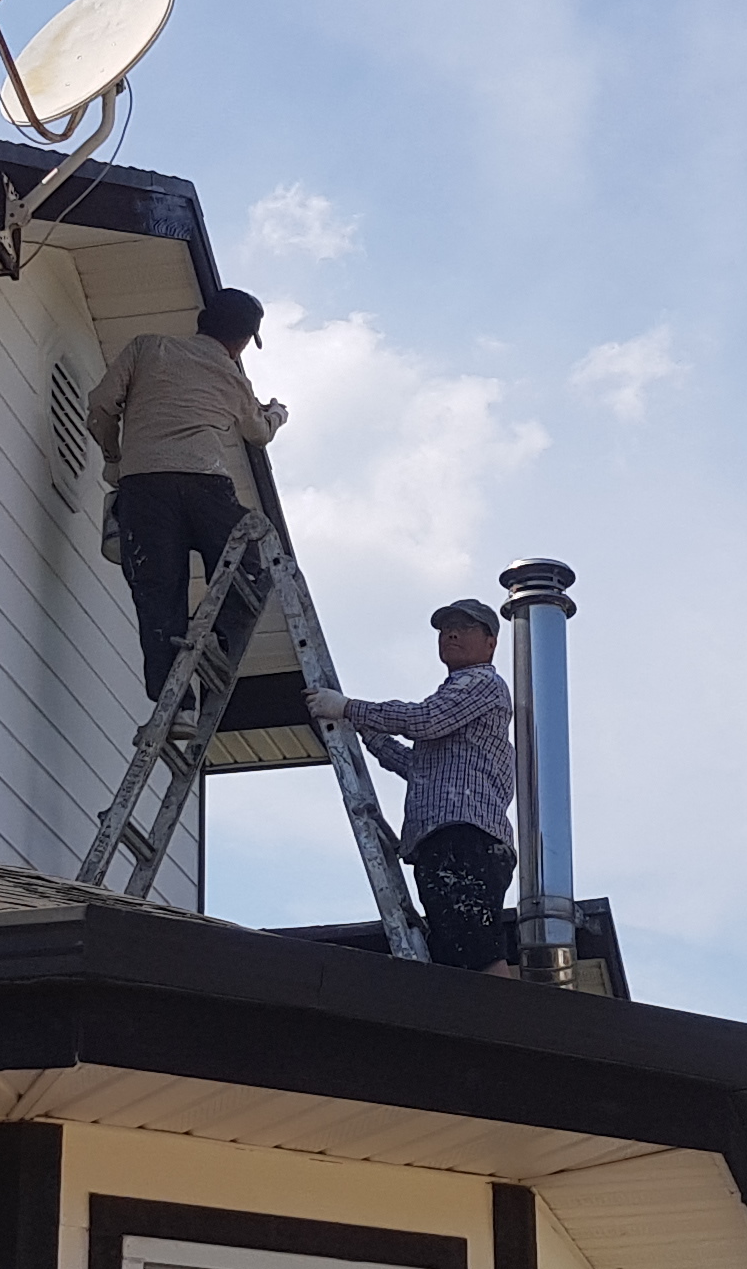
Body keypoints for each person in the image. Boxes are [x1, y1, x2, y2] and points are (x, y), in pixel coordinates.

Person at [89, 288, 287, 701]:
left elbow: (102, 405)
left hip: (144, 489)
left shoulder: (148, 348)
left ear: (202, 319)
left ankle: (176, 705)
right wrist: (276, 414)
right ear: (243, 341)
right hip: (205, 484)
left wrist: (115, 457)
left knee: (158, 598)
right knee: (247, 563)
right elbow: (258, 433)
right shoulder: (233, 377)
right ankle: (214, 635)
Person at [311, 600, 519, 974]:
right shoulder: (459, 701)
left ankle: (501, 1010)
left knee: (477, 948)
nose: (451, 634)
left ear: (491, 642)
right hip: (448, 839)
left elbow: (424, 719)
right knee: (457, 950)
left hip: (465, 839)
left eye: (465, 627)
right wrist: (366, 731)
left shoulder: (482, 683)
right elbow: (417, 767)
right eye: (446, 628)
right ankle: (480, 1008)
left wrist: (349, 708)